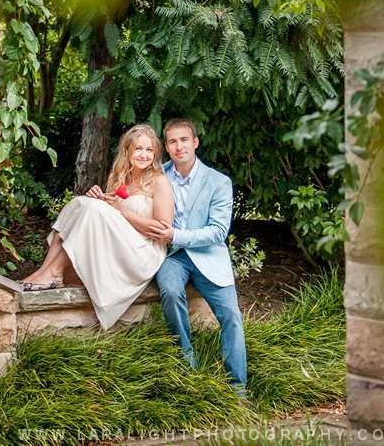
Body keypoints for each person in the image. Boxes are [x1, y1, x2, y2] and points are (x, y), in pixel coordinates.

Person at [20, 124, 174, 330]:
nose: (143, 154)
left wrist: (120, 209)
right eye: (138, 148)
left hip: (144, 252)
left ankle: (54, 272)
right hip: (120, 245)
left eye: (149, 150)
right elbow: (110, 218)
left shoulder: (159, 181)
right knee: (79, 203)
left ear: (155, 154)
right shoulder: (118, 178)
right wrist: (99, 198)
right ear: (127, 150)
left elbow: (162, 231)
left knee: (93, 209)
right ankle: (45, 272)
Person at [146, 119, 247, 394]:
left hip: (209, 257)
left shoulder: (218, 182)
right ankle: (187, 366)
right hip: (173, 256)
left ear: (195, 142)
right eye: (172, 142)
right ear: (166, 147)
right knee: (169, 290)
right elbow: (126, 190)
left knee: (231, 316)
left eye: (184, 140)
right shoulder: (157, 176)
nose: (179, 146)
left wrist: (176, 235)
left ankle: (237, 389)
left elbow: (217, 232)